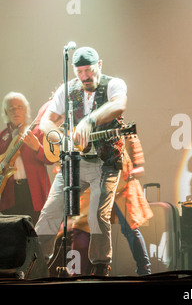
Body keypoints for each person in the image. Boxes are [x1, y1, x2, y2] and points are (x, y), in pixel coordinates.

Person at [35, 46, 127, 276]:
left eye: (89, 70)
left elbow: (118, 105)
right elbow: (46, 121)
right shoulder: (68, 90)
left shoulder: (113, 84)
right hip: (74, 162)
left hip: (105, 163)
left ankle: (100, 265)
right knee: (50, 213)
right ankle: (34, 262)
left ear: (100, 65)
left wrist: (90, 121)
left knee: (97, 215)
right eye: (80, 72)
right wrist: (59, 138)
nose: (85, 76)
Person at [71, 135, 153, 276]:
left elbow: (139, 168)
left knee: (130, 230)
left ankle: (144, 270)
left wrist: (129, 171)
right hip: (99, 190)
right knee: (88, 229)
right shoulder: (89, 136)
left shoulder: (128, 136)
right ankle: (84, 272)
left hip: (122, 192)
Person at [0, 92, 52, 225]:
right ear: (6, 112)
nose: (16, 110)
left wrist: (37, 148)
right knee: (13, 236)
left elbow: (51, 160)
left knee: (36, 234)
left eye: (19, 107)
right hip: (10, 195)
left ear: (26, 110)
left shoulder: (38, 132)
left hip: (34, 192)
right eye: (12, 108)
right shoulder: (1, 137)